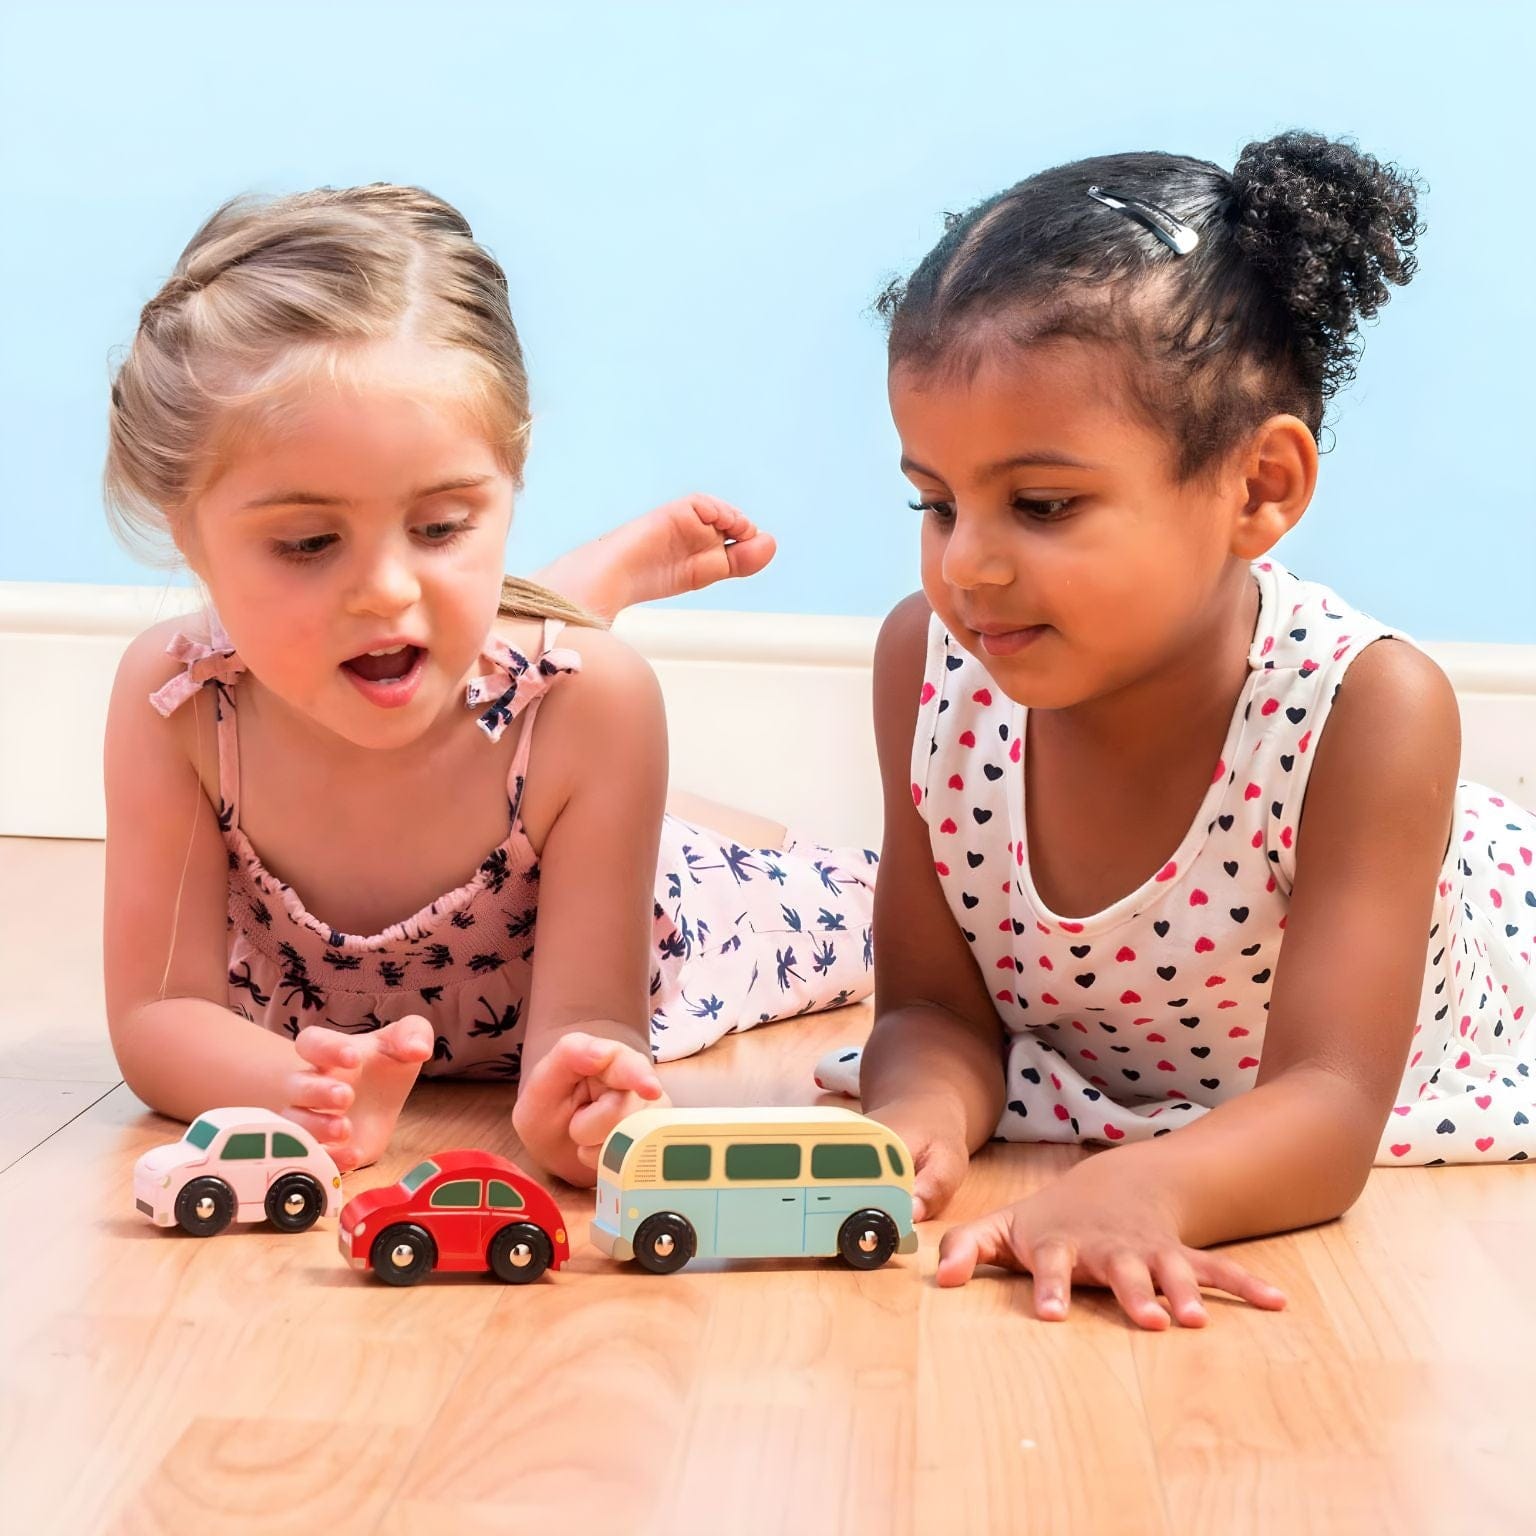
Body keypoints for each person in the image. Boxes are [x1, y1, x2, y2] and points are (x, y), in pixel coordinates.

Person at [855, 132, 1536, 1328]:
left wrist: (1142, 1189)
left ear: (1259, 489)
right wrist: (915, 1119)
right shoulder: (929, 666)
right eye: (936, 501)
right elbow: (932, 1011)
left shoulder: (1371, 709)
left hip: (1462, 986)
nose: (967, 564)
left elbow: (1327, 1106)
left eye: (1043, 504)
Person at [102, 184, 875, 1184]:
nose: (382, 590)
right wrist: (303, 1088)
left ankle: (560, 621)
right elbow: (159, 1016)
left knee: (875, 902)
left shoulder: (597, 706)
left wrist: (579, 1101)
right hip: (510, 753)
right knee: (488, 663)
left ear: (508, 483)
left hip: (674, 913)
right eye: (307, 542)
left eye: (439, 527)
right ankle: (555, 598)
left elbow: (592, 1024)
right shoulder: (177, 706)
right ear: (186, 531)